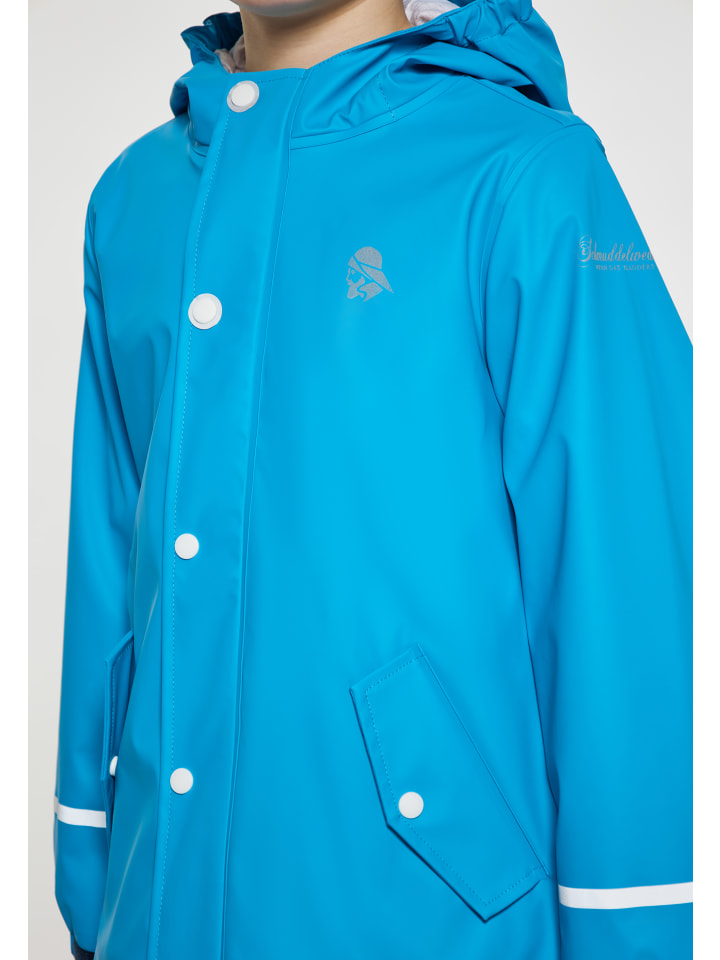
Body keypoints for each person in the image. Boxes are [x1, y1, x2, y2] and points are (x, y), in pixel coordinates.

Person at [53, 1, 692, 958]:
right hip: (156, 909)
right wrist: (90, 867)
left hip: (432, 918)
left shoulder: (530, 174)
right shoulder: (134, 198)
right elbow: (108, 561)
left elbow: (625, 597)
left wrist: (639, 926)